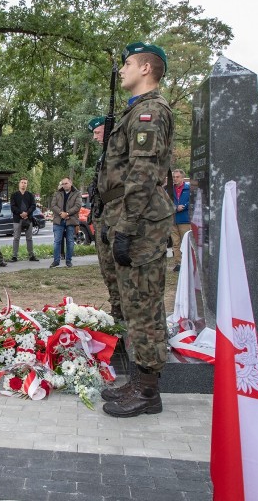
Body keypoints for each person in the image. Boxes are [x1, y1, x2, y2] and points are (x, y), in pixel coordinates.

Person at [98, 42, 174, 418]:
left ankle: (148, 391)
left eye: (128, 64)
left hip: (141, 222)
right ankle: (139, 380)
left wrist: (126, 227)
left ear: (146, 68)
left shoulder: (150, 113)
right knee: (132, 302)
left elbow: (143, 175)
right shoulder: (135, 113)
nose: (123, 70)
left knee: (143, 306)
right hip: (126, 216)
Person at [87, 116, 122, 321]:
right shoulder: (105, 155)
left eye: (97, 132)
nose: (95, 137)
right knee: (106, 267)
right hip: (102, 214)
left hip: (112, 216)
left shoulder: (117, 153)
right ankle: (116, 306)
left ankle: (120, 308)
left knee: (112, 266)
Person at [50, 178, 81, 268]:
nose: (64, 185)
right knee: (57, 242)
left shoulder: (77, 193)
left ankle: (68, 261)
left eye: (66, 183)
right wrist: (61, 213)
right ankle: (56, 261)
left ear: (71, 183)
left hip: (71, 220)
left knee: (70, 241)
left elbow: (78, 206)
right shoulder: (57, 193)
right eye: (63, 184)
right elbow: (53, 205)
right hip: (58, 220)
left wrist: (67, 213)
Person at [9, 177, 39, 263]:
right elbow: (13, 207)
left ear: (27, 184)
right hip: (17, 219)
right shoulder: (14, 195)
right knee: (16, 238)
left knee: (29, 238)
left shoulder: (30, 195)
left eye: (25, 183)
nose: (23, 184)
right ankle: (14, 256)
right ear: (19, 184)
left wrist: (27, 213)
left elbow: (33, 206)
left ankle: (31, 255)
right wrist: (21, 213)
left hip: (28, 219)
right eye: (22, 182)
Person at [170, 168, 191, 273]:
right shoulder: (169, 189)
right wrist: (175, 208)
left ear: (183, 178)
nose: (175, 179)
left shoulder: (189, 189)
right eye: (174, 177)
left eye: (177, 177)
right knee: (175, 243)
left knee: (186, 242)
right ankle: (178, 263)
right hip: (173, 220)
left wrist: (185, 206)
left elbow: (193, 201)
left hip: (185, 219)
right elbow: (165, 202)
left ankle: (188, 263)